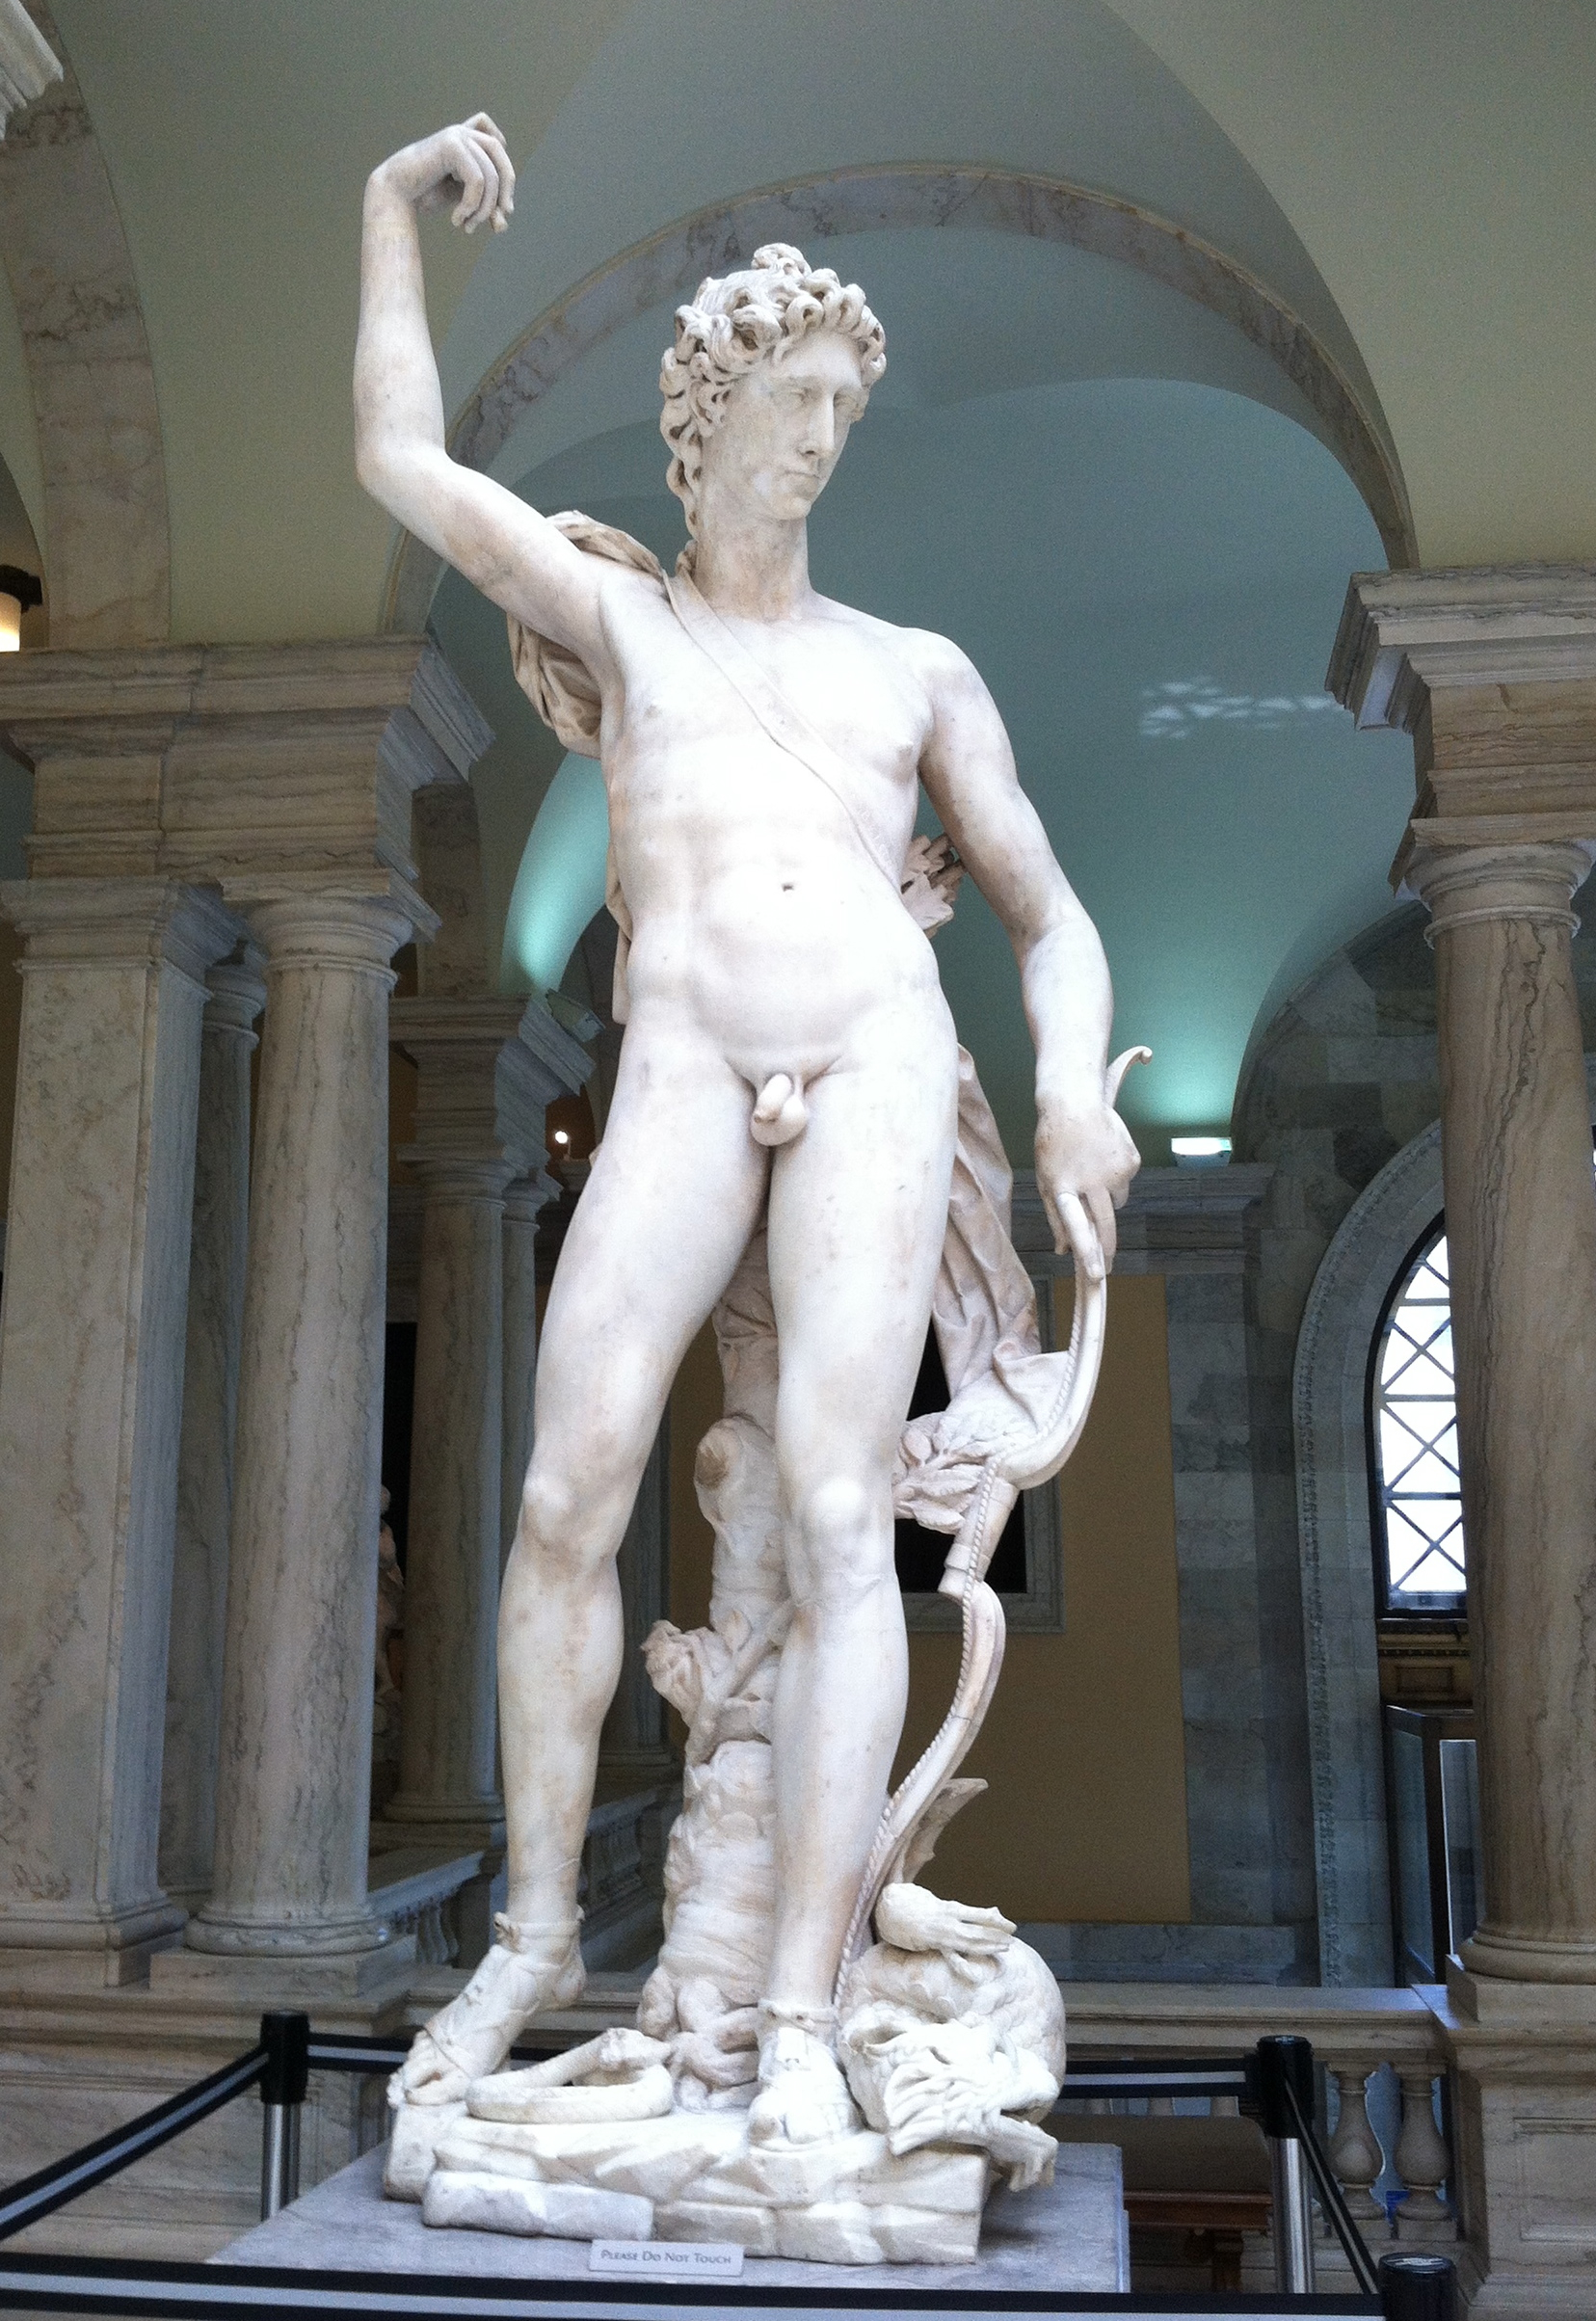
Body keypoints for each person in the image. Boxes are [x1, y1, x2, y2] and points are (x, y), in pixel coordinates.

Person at [356, 115, 1138, 2144]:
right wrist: (384, 218)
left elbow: (1051, 919)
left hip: (873, 1060)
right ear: (698, 425)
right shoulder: (627, 630)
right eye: (792, 402)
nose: (820, 441)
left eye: (841, 411)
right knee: (564, 1489)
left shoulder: (913, 675)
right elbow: (401, 467)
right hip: (689, 1061)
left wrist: (1067, 1085)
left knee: (830, 1507)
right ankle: (534, 1942)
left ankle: (797, 2009)